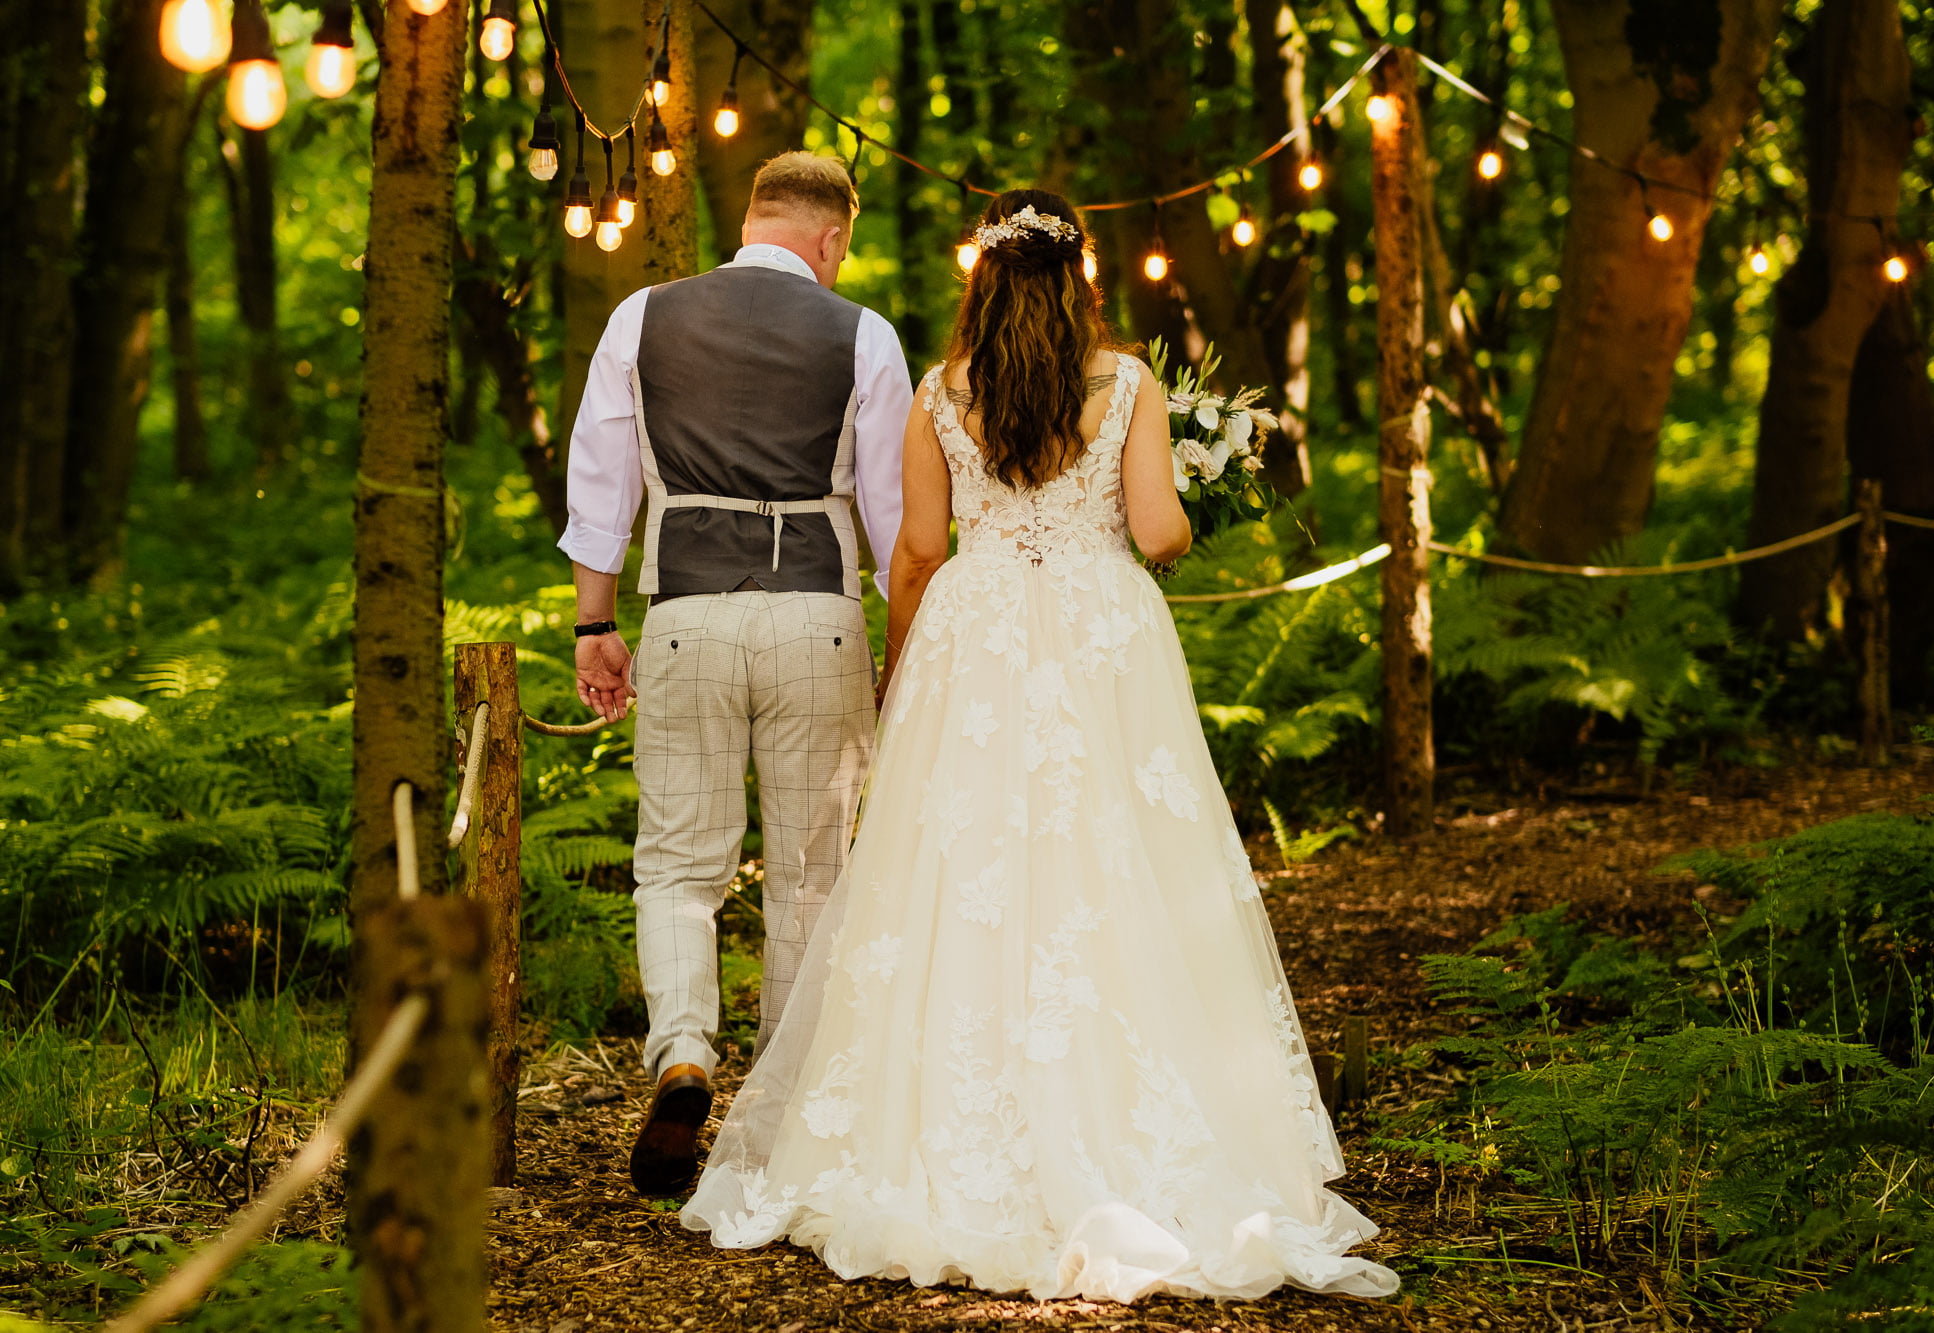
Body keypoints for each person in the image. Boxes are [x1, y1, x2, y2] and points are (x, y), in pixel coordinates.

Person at [679, 189, 1399, 1304]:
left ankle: (940, 1130)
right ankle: (1134, 1125)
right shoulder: (1129, 384)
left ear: (982, 274)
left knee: (959, 870)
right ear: (1080, 274)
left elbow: (917, 549)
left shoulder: (938, 391)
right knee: (1114, 858)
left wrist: (898, 664)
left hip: (975, 637)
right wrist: (1175, 494)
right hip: (1099, 637)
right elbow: (1156, 531)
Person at [559, 151, 912, 1197]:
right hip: (818, 615)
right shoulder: (865, 336)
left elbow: (600, 475)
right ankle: (782, 1102)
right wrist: (904, 644)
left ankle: (682, 1051)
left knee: (678, 863)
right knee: (810, 866)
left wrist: (593, 621)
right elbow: (893, 518)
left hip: (685, 613)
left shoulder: (642, 317)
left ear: (752, 219)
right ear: (831, 237)